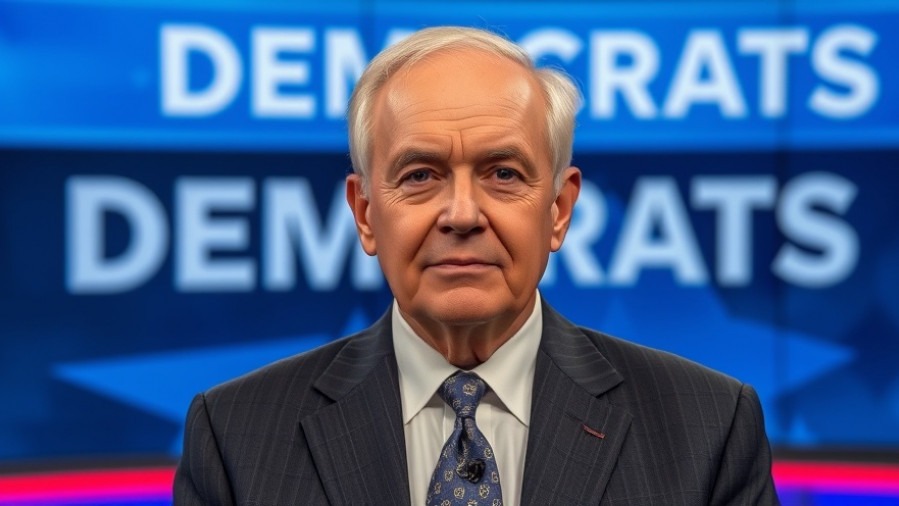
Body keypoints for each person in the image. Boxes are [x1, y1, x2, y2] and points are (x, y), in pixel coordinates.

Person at [174, 26, 779, 505]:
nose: (462, 214)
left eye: (503, 174)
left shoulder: (708, 429)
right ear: (364, 214)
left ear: (560, 210)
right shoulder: (234, 436)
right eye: (420, 176)